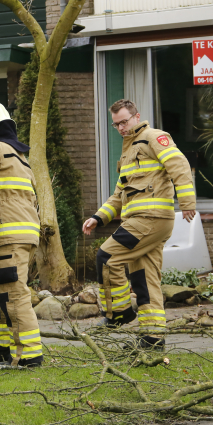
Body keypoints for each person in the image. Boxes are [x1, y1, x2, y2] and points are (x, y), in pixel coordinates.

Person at [82, 99, 196, 349]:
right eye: (116, 124)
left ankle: (119, 313)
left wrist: (187, 202)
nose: (121, 127)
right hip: (140, 220)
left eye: (124, 121)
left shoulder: (154, 137)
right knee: (145, 280)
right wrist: (99, 217)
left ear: (136, 116)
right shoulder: (126, 154)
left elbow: (180, 165)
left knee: (106, 257)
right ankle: (153, 339)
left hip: (150, 219)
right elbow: (118, 195)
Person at [0, 103, 42, 368]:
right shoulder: (19, 157)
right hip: (23, 235)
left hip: (6, 235)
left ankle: (30, 354)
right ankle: (2, 348)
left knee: (13, 295)